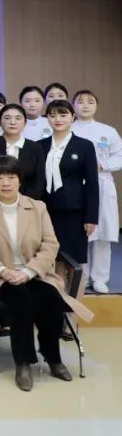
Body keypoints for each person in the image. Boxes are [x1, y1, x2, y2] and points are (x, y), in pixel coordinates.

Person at [0, 156, 94, 391]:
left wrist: (28, 271)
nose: (6, 183)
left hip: (35, 274)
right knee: (21, 299)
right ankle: (23, 363)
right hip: (1, 278)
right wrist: (3, 270)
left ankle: (52, 356)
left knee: (50, 298)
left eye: (11, 177)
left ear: (20, 180)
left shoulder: (37, 207)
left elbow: (50, 244)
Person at [72, 90, 122, 293]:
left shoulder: (107, 131)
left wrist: (102, 165)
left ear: (96, 106)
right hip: (77, 184)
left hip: (102, 183)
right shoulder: (68, 128)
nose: (85, 105)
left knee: (103, 233)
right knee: (81, 233)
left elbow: (119, 155)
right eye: (80, 101)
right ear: (73, 105)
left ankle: (100, 278)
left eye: (90, 101)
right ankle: (82, 277)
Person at [38, 99, 99, 265]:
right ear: (47, 118)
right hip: (45, 210)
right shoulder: (39, 145)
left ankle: (74, 285)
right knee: (50, 258)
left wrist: (91, 217)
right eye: (52, 115)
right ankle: (55, 284)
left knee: (73, 260)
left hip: (74, 210)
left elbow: (92, 184)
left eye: (63, 115)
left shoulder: (85, 146)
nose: (58, 119)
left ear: (72, 117)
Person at [0, 104, 46, 200]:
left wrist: (27, 201)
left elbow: (39, 180)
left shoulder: (35, 148)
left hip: (28, 201)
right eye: (7, 118)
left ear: (25, 122)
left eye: (18, 118)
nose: (12, 122)